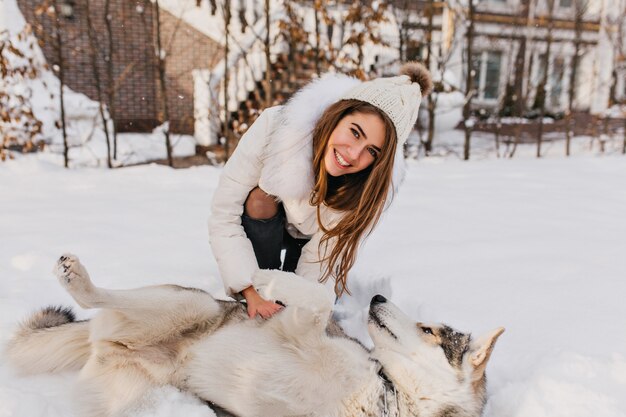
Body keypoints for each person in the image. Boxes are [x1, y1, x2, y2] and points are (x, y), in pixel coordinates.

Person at [209, 62, 432, 319]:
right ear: (337, 114)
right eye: (355, 132)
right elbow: (224, 214)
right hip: (271, 223)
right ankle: (264, 281)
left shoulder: (373, 188)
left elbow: (325, 259)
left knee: (303, 312)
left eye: (372, 151)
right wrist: (252, 292)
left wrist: (299, 307)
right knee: (259, 199)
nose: (354, 154)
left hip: (316, 238)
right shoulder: (277, 128)